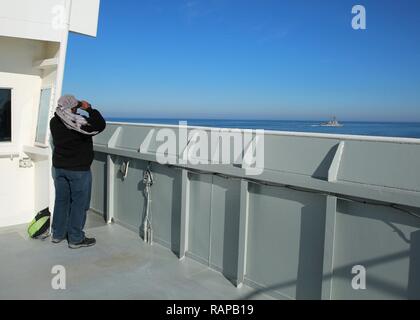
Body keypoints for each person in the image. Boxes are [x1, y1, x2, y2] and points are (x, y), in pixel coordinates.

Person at [50, 95, 106, 249]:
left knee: (61, 201)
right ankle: (75, 238)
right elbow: (100, 125)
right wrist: (89, 108)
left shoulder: (54, 121)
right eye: (75, 106)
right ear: (73, 108)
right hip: (78, 170)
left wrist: (76, 106)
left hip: (60, 168)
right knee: (79, 204)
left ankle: (58, 234)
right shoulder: (78, 122)